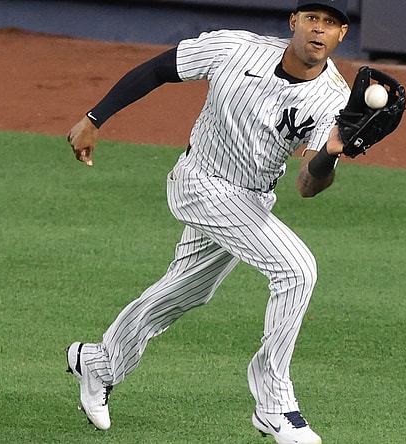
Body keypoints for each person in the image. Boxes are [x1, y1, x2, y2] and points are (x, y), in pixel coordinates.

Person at [65, 1, 351, 443]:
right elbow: (160, 68)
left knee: (186, 291)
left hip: (252, 199)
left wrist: (331, 152)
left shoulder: (334, 97)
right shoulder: (234, 48)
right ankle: (274, 405)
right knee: (296, 269)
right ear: (293, 22)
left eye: (330, 23)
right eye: (312, 18)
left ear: (341, 34)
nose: (319, 30)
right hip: (200, 182)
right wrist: (94, 118)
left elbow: (307, 186)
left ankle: (99, 362)